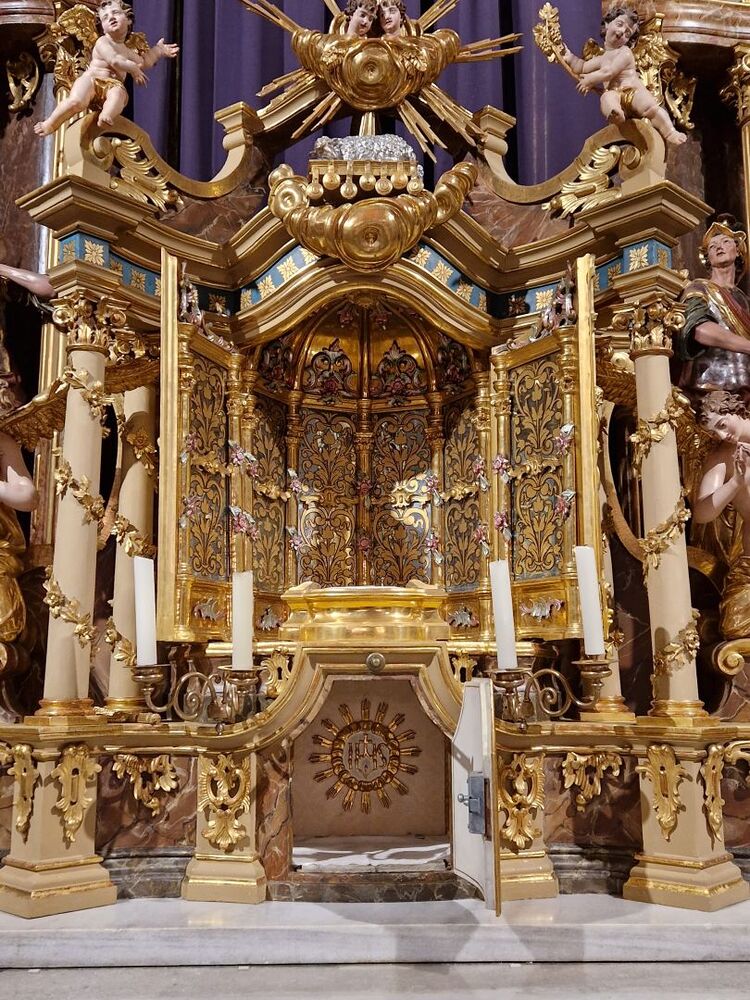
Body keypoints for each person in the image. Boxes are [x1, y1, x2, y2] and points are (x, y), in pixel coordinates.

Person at [34, 0, 179, 137]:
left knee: (119, 94)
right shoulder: (103, 42)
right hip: (92, 79)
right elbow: (114, 60)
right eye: (105, 17)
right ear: (102, 27)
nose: (111, 18)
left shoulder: (127, 51)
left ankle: (106, 115)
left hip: (112, 85)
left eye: (116, 12)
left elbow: (144, 62)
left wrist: (158, 51)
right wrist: (133, 68)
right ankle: (50, 123)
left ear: (128, 19)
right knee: (76, 101)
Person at [562, 5, 686, 146]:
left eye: (627, 33)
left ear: (628, 40)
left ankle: (670, 131)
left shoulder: (625, 52)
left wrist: (590, 80)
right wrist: (569, 57)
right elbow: (582, 67)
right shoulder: (601, 58)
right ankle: (616, 114)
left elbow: (609, 72)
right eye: (619, 24)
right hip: (616, 95)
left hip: (632, 91)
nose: (622, 32)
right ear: (607, 24)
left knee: (651, 108)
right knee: (606, 98)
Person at [694, 392, 750, 638]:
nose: (721, 435)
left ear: (735, 410)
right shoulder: (722, 459)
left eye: (722, 425)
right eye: (713, 432)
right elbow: (702, 513)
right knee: (735, 625)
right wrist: (735, 482)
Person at [675, 217, 750, 399]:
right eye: (712, 246)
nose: (718, 247)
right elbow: (699, 330)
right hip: (710, 390)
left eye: (725, 242)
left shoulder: (745, 300)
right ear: (707, 257)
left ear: (738, 250)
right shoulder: (698, 288)